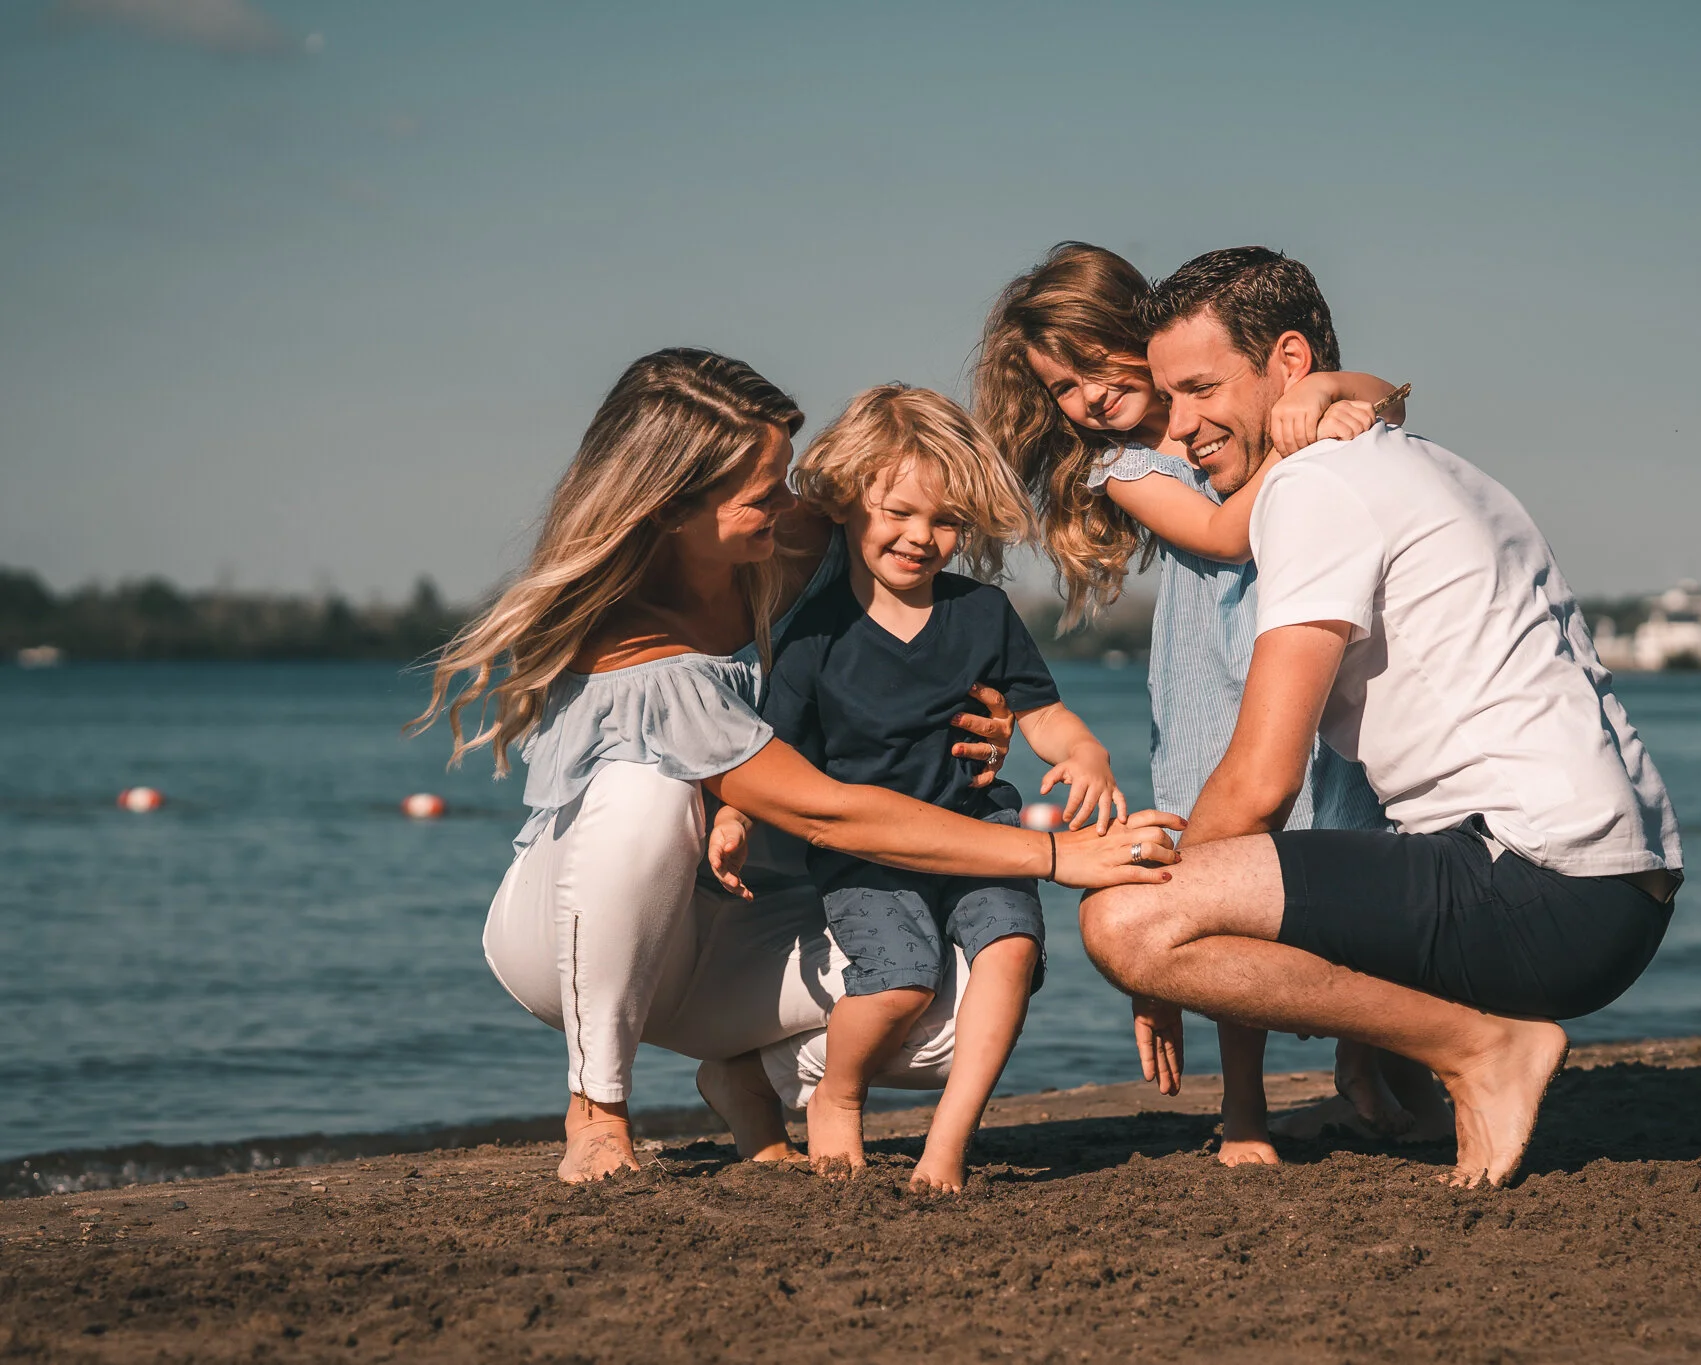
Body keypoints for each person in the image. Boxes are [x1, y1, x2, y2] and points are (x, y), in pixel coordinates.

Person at [414, 348, 1181, 1183]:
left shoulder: (808, 539)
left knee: (957, 1005)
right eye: (763, 493)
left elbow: (905, 560)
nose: (793, 503)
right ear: (676, 508)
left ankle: (753, 1074)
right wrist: (1060, 855)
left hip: (735, 933)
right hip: (573, 946)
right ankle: (598, 1105)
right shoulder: (633, 640)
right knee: (646, 790)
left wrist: (966, 724)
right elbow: (827, 811)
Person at [1079, 249, 1683, 1188]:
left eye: (1201, 389)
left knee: (1124, 921)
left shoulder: (1313, 487)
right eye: (1169, 397)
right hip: (1617, 888)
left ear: (1288, 363)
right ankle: (1423, 1071)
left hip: (1540, 889)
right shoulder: (1427, 463)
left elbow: (1262, 776)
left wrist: (1162, 948)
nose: (1183, 425)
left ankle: (1483, 1050)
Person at [974, 243, 1435, 1163]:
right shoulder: (1130, 467)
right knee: (1220, 871)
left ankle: (1367, 1060)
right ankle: (1245, 1108)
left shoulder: (1248, 422)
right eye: (1061, 389)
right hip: (1212, 687)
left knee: (1352, 839)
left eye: (1096, 365)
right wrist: (1320, 436)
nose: (1086, 400)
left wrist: (1346, 396)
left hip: (1310, 663)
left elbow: (1392, 391)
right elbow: (1227, 535)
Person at [734, 383, 1124, 1190]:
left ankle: (949, 1141)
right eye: (899, 513)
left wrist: (1084, 752)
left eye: (945, 520)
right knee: (901, 981)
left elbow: (1041, 711)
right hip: (867, 861)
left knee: (1012, 949)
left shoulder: (982, 614)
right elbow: (775, 760)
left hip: (982, 832)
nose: (922, 537)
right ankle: (837, 1096)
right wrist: (733, 815)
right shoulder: (817, 635)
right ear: (846, 504)